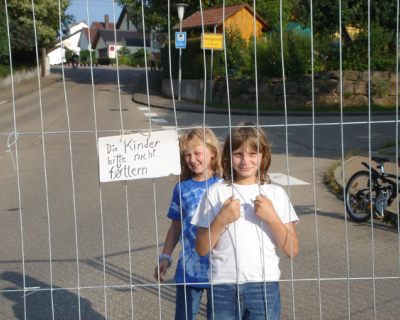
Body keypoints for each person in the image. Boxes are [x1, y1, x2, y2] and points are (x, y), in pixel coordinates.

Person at [191, 122, 299, 320]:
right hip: (222, 286)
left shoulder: (276, 193)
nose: (245, 161)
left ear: (263, 155)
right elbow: (201, 248)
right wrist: (221, 219)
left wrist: (272, 217)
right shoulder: (215, 192)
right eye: (238, 154)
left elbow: (291, 249)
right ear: (228, 156)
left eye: (252, 154)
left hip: (264, 286)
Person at [154, 128, 222, 320]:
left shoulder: (225, 184)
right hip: (189, 270)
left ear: (213, 152)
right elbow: (175, 226)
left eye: (197, 153)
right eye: (187, 155)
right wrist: (165, 255)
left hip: (222, 269)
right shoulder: (182, 187)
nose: (192, 159)